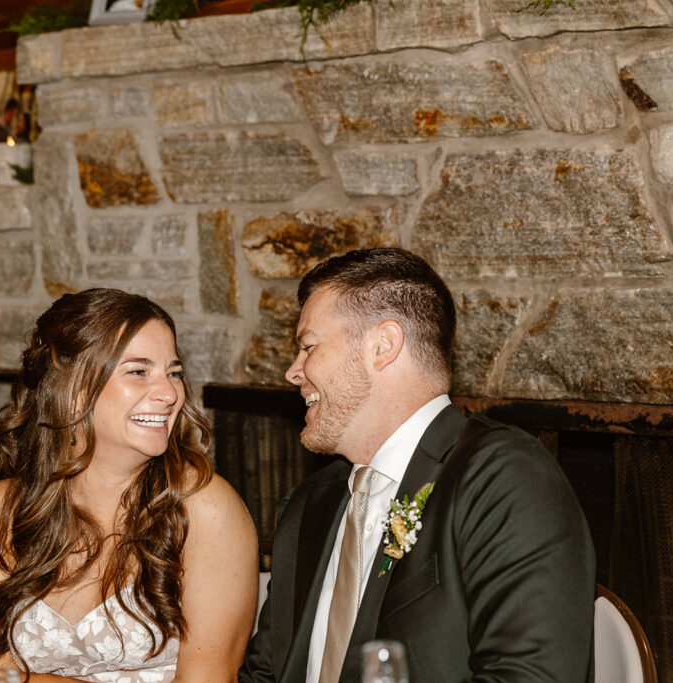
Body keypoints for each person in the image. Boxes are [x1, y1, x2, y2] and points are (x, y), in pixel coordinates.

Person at [240, 247, 596, 682]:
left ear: (383, 347)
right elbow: (263, 674)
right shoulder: (309, 506)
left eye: (308, 346)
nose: (293, 372)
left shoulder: (504, 478)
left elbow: (531, 676)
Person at [0, 288, 258, 683]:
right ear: (71, 392)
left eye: (174, 372)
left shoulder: (205, 508)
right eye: (138, 371)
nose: (170, 394)